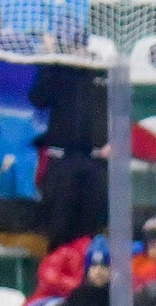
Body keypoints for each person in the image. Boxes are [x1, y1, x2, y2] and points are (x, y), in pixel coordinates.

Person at [26, 61, 107, 249]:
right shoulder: (57, 69)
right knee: (59, 226)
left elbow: (121, 109)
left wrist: (116, 140)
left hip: (96, 162)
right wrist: (49, 63)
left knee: (89, 229)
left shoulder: (104, 71)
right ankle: (57, 273)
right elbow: (37, 98)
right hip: (61, 160)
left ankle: (89, 274)